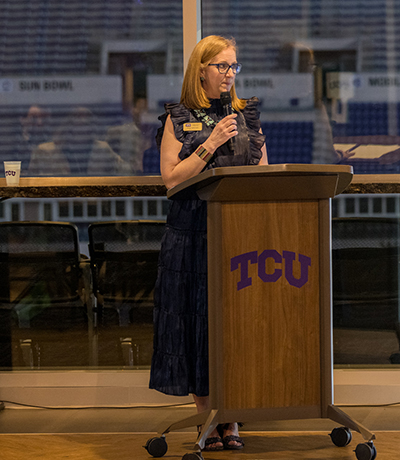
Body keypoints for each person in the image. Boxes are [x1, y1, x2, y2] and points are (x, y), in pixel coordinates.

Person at [149, 35, 268, 452]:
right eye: (222, 66)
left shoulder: (247, 116)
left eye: (234, 67)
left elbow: (263, 177)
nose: (230, 74)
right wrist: (211, 142)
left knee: (233, 327)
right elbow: (172, 179)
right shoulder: (177, 117)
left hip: (237, 239)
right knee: (196, 329)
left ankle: (232, 417)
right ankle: (207, 418)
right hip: (189, 238)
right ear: (201, 69)